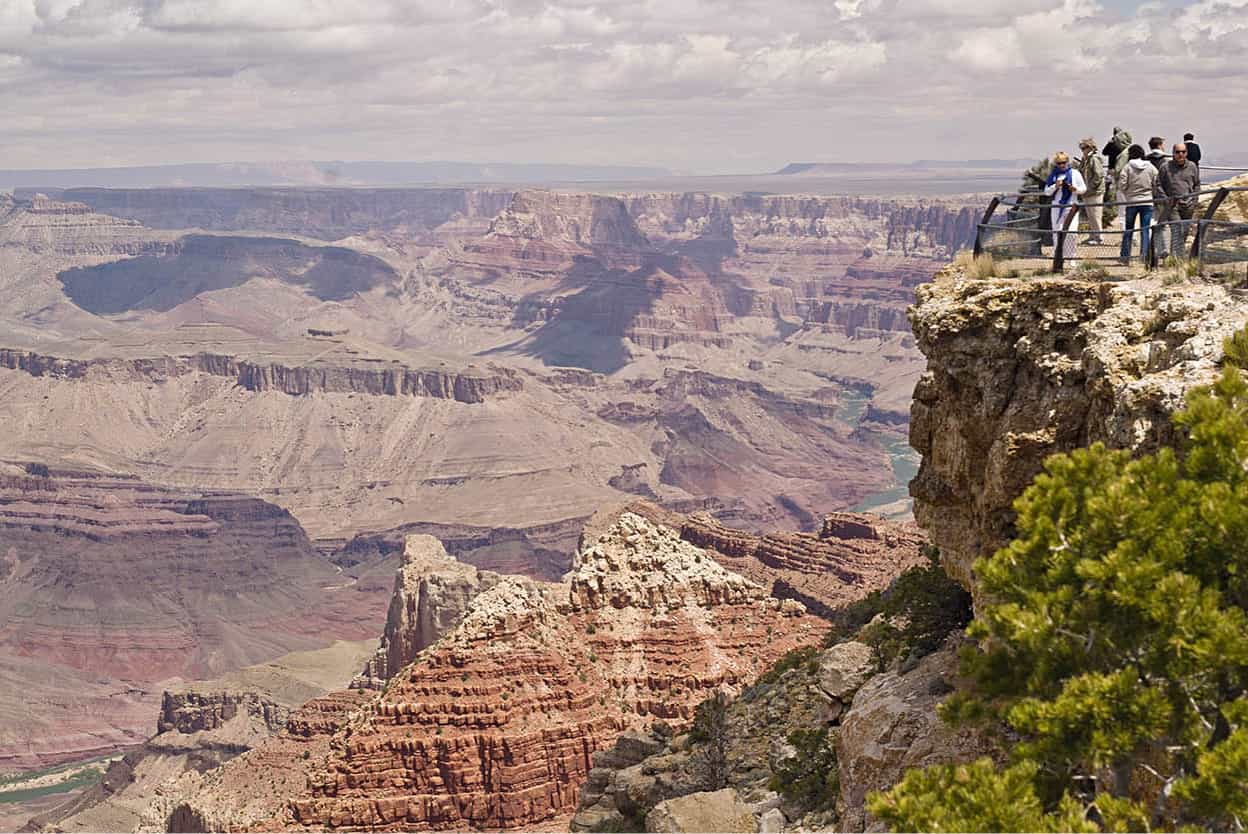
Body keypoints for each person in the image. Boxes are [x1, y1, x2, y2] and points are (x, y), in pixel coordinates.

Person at [1157, 142, 1202, 261]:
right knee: (1177, 229)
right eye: (1178, 152)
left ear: (1186, 153)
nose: (1180, 154)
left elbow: (1197, 184)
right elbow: (1158, 184)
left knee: (1185, 231)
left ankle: (1177, 257)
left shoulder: (1192, 166)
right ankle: (1176, 260)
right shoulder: (1165, 167)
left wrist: (1194, 199)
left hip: (1188, 205)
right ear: (1173, 153)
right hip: (1172, 206)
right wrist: (1166, 199)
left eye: (1183, 152)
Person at [1115, 144, 1158, 264]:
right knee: (1145, 230)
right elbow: (1157, 182)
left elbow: (1122, 184)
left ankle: (1125, 256)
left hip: (1131, 202)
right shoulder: (1151, 167)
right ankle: (1144, 256)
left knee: (1129, 230)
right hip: (1147, 202)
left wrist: (1128, 193)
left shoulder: (1127, 167)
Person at [1043, 151, 1086, 260]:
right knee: (1057, 231)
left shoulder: (1075, 173)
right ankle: (1058, 255)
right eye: (1059, 163)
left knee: (1072, 232)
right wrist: (1055, 186)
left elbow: (1083, 189)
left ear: (1067, 162)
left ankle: (1071, 256)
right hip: (1057, 207)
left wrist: (1075, 190)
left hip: (1072, 207)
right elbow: (1047, 192)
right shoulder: (1053, 175)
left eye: (1064, 162)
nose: (1062, 165)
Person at [1101, 127, 1132, 226]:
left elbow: (1104, 152)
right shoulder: (1124, 147)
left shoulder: (1116, 145)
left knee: (1117, 194)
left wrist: (1110, 143)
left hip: (1115, 171)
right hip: (1116, 171)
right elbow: (1104, 152)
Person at [1077, 138, 1105, 244]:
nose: (1082, 150)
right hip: (1087, 192)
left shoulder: (1094, 159)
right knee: (1090, 215)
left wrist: (1090, 188)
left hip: (1094, 192)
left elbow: (1098, 175)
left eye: (1084, 148)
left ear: (1090, 148)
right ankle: (1093, 235)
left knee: (1095, 215)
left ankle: (1099, 237)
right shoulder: (1085, 160)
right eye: (1081, 148)